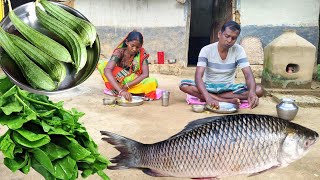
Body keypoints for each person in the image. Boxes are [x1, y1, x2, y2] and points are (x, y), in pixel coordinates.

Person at [179, 21, 263, 109]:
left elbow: (248, 74)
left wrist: (252, 93)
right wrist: (208, 98)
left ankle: (214, 97)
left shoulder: (239, 50)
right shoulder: (206, 50)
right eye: (227, 36)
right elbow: (198, 77)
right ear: (219, 34)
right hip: (209, 87)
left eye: (234, 38)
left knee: (258, 90)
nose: (229, 41)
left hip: (229, 88)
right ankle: (225, 100)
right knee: (184, 85)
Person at [98, 30, 158, 101]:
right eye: (132, 46)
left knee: (152, 81)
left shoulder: (142, 54)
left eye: (137, 47)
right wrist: (121, 91)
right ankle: (118, 89)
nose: (134, 49)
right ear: (126, 42)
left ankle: (127, 90)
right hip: (118, 80)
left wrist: (127, 85)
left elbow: (145, 74)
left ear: (141, 46)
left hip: (133, 82)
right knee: (102, 65)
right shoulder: (119, 52)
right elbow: (107, 70)